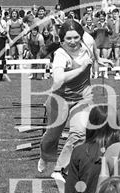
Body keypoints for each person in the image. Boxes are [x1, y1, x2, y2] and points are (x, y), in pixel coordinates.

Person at [37, 20, 112, 179]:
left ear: (81, 36)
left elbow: (93, 48)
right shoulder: (61, 54)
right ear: (62, 39)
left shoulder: (88, 41)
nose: (72, 42)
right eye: (68, 39)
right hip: (60, 99)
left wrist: (99, 60)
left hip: (83, 98)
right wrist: (81, 68)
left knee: (80, 133)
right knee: (52, 135)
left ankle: (60, 169)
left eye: (76, 37)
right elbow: (58, 80)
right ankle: (45, 155)